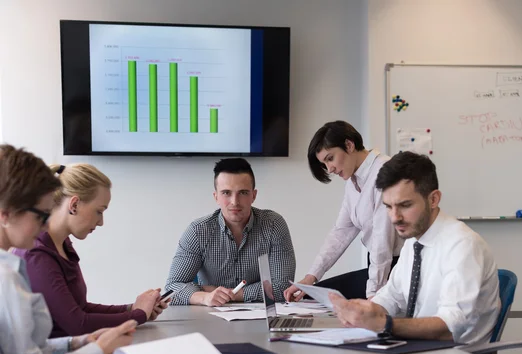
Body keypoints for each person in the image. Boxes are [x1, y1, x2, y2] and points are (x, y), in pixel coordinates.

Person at [0, 144, 137, 354]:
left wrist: (77, 343)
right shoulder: (7, 281)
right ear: (6, 214)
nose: (45, 223)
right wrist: (97, 350)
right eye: (41, 214)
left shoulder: (11, 270)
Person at [330, 151, 500, 344]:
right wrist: (362, 312)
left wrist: (385, 325)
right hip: (417, 353)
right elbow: (391, 298)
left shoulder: (463, 245)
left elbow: (451, 327)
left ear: (433, 199)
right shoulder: (413, 242)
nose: (395, 217)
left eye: (405, 205)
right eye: (388, 206)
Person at [14, 163, 166, 338]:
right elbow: (78, 324)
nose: (101, 222)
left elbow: (80, 307)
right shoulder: (37, 254)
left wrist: (132, 308)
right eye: (99, 211)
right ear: (74, 204)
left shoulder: (62, 245)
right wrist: (139, 315)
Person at [284, 120, 401, 301]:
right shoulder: (353, 181)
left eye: (330, 158)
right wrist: (311, 277)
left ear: (349, 145)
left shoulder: (383, 172)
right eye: (324, 163)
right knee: (311, 294)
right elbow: (341, 232)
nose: (329, 169)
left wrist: (372, 295)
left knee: (326, 299)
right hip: (380, 264)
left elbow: (382, 242)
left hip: (398, 267)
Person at [165, 158, 296, 306]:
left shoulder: (273, 225)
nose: (235, 201)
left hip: (259, 316)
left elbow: (282, 288)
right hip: (208, 316)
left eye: (243, 193)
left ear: (254, 195)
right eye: (226, 193)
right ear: (216, 197)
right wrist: (205, 297)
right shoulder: (198, 231)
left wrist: (228, 293)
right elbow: (172, 288)